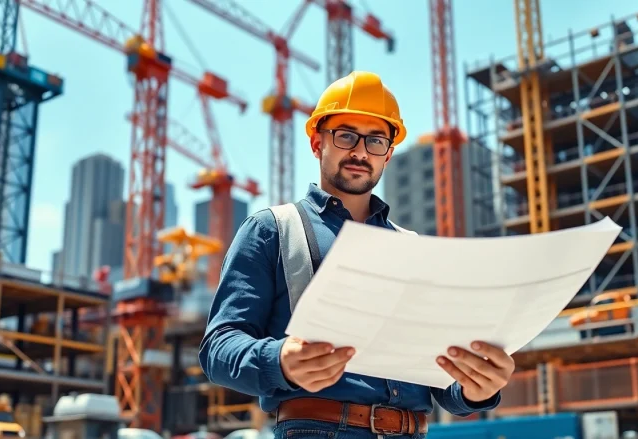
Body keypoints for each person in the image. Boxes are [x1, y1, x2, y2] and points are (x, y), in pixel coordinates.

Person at [198, 71, 515, 439]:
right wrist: (279, 361)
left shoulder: (413, 248)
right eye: (346, 135)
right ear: (318, 143)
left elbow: (442, 382)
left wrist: (477, 388)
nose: (361, 151)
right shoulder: (272, 229)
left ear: (389, 155)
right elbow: (218, 347)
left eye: (376, 140)